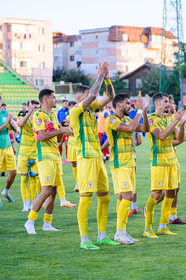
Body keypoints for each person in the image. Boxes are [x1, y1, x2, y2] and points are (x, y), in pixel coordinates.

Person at [70, 60, 121, 249]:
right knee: (86, 198)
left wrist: (107, 79)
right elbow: (93, 95)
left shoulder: (92, 110)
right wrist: (99, 74)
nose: (92, 95)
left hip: (98, 157)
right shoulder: (75, 110)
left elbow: (111, 96)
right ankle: (84, 240)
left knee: (105, 198)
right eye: (87, 94)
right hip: (86, 158)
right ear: (80, 97)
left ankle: (101, 236)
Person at [24, 90, 73, 235]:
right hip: (44, 156)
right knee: (45, 190)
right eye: (54, 97)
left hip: (55, 156)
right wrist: (60, 130)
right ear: (45, 99)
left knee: (53, 191)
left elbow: (57, 139)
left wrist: (63, 129)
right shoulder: (38, 115)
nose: (56, 100)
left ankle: (47, 223)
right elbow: (43, 135)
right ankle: (30, 221)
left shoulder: (53, 115)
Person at [105, 93, 150, 244]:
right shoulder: (111, 119)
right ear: (118, 105)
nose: (129, 106)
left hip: (130, 163)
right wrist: (137, 111)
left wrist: (143, 110)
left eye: (131, 104)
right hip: (120, 163)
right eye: (127, 104)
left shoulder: (127, 119)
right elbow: (131, 129)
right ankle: (118, 233)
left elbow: (145, 128)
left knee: (126, 198)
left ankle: (123, 231)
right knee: (127, 197)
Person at [143, 92, 186, 238]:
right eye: (165, 101)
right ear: (157, 104)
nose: (168, 103)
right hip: (159, 162)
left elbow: (179, 138)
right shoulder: (151, 119)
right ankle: (148, 228)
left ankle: (163, 227)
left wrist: (182, 123)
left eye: (169, 101)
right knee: (156, 194)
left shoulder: (169, 119)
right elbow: (161, 137)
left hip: (172, 161)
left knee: (171, 192)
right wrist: (175, 122)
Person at [18, 100, 40, 212]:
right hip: (23, 153)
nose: (36, 110)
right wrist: (30, 111)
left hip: (35, 153)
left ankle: (31, 204)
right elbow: (20, 124)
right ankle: (25, 204)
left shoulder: (39, 121)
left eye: (37, 107)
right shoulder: (23, 119)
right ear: (29, 108)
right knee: (23, 180)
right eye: (34, 107)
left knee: (33, 180)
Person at [66, 101, 79, 192]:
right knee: (73, 163)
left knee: (79, 163)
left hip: (78, 142)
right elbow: (67, 129)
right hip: (71, 142)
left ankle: (80, 182)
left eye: (72, 106)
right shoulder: (67, 117)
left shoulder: (78, 116)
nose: (70, 108)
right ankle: (77, 182)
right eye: (69, 106)